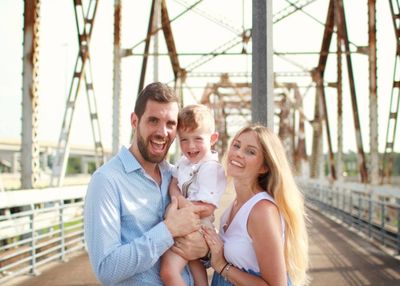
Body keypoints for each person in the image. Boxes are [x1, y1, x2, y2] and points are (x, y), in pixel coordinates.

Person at [84, 82, 208, 285]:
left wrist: (205, 251)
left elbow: (198, 241)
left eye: (170, 124)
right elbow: (106, 269)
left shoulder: (176, 175)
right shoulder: (106, 181)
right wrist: (168, 230)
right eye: (153, 121)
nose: (162, 132)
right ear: (135, 121)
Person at [203, 124, 309, 286]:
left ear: (264, 167)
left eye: (250, 151)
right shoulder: (235, 205)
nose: (238, 153)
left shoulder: (262, 211)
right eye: (236, 146)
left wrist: (222, 267)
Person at [160, 104, 227, 286]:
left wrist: (176, 209)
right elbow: (173, 185)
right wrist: (180, 200)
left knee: (168, 271)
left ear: (213, 139)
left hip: (198, 226)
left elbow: (207, 208)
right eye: (184, 140)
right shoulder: (184, 162)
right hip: (187, 221)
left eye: (198, 138)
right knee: (196, 271)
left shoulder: (211, 168)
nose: (190, 146)